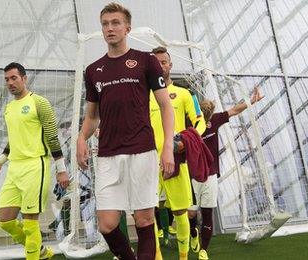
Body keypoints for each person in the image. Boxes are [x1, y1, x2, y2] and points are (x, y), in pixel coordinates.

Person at [76, 3, 175, 259]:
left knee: (143, 219)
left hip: (142, 150)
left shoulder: (146, 61)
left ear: (127, 28)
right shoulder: (93, 70)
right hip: (108, 154)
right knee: (107, 224)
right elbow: (92, 115)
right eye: (105, 24)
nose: (110, 28)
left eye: (115, 23)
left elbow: (166, 106)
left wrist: (167, 150)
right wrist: (80, 137)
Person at [0, 62, 69, 260]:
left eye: (14, 78)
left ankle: (34, 255)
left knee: (30, 222)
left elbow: (52, 137)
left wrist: (61, 169)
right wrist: (0, 161)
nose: (10, 82)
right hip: (14, 168)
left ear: (24, 78)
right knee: (5, 220)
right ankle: (41, 251)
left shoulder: (39, 102)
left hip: (36, 165)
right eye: (7, 79)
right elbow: (13, 139)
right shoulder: (9, 108)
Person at [189, 88, 263, 260]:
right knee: (191, 213)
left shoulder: (215, 120)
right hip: (191, 175)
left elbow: (235, 110)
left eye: (209, 111)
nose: (207, 114)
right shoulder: (189, 123)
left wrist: (252, 101)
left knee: (207, 213)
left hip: (211, 175)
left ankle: (203, 250)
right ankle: (193, 232)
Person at [148, 47, 206, 259]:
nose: (161, 65)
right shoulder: (143, 95)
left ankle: (183, 256)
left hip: (176, 159)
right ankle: (156, 256)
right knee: (147, 212)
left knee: (180, 211)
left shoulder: (185, 94)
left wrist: (186, 141)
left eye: (164, 62)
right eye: (156, 62)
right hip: (148, 161)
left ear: (170, 65)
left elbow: (200, 121)